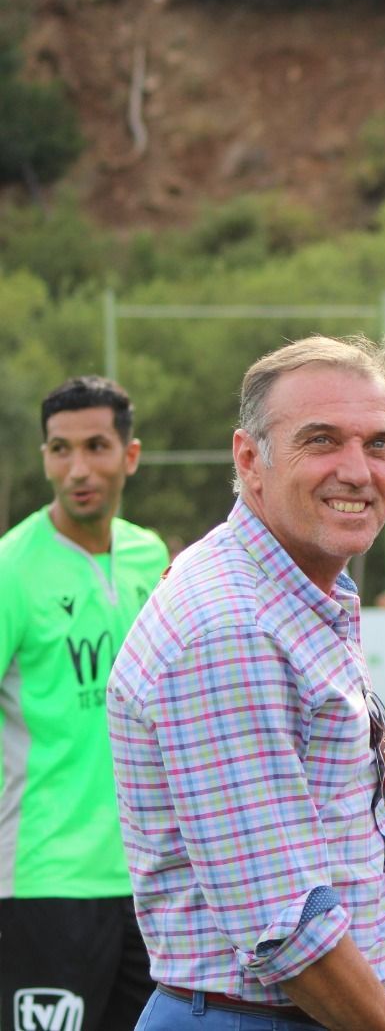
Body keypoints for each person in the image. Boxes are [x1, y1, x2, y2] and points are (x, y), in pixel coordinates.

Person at [106, 335, 385, 1030]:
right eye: (322, 441)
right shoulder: (234, 627)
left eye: (380, 445)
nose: (358, 471)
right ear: (248, 459)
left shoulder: (286, 588)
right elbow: (289, 932)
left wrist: (372, 762)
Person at [0, 377, 167, 1031]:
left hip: (151, 882)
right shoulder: (12, 569)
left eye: (96, 446)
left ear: (130, 455)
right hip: (45, 879)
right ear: (44, 457)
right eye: (59, 449)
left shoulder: (149, 555)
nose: (77, 469)